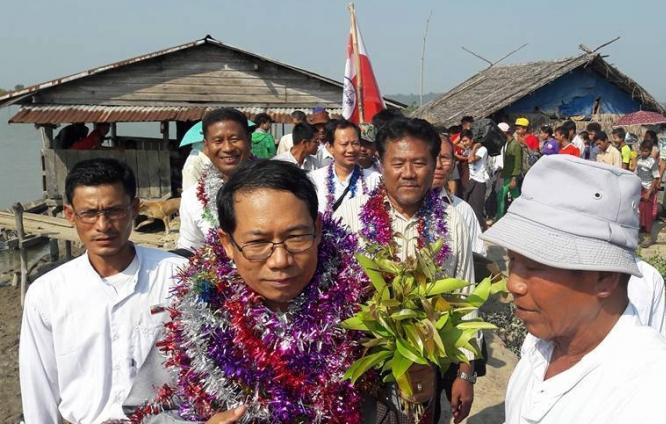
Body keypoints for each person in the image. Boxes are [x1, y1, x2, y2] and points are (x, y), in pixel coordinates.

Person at [127, 160, 433, 423]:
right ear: (227, 243)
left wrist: (419, 389)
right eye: (258, 243)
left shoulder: (370, 305)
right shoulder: (192, 318)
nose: (280, 260)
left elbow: (403, 404)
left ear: (317, 229)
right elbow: (143, 411)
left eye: (296, 237)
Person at [482, 155, 666, 423]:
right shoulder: (540, 347)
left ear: (605, 278)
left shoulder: (658, 399)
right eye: (512, 260)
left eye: (534, 266)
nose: (513, 283)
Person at [19, 158, 187, 423]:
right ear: (70, 215)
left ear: (134, 209)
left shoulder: (177, 276)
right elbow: (38, 385)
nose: (103, 225)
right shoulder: (46, 294)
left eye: (114, 211)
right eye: (89, 213)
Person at [336, 117, 477, 424]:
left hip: (426, 365)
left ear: (434, 164)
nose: (409, 173)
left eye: (420, 163)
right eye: (398, 163)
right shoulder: (350, 215)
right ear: (381, 163)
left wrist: (466, 373)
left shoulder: (452, 220)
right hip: (364, 370)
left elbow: (466, 299)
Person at [177, 108, 252, 251]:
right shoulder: (193, 198)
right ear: (206, 146)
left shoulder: (277, 187)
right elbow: (190, 251)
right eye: (218, 141)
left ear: (249, 140)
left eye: (234, 139)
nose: (228, 148)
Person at [309, 119, 381, 213]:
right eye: (344, 144)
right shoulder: (314, 179)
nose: (351, 150)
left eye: (355, 143)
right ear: (331, 147)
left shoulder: (375, 180)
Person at [433, 133, 486, 256]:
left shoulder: (463, 210)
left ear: (453, 164)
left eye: (444, 158)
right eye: (431, 157)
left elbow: (477, 256)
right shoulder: (401, 206)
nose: (438, 165)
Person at [636, 140, 661, 248]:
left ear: (650, 151)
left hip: (648, 189)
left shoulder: (652, 162)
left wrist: (649, 192)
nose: (643, 153)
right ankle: (639, 235)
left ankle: (648, 236)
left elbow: (656, 178)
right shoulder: (639, 160)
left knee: (647, 214)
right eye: (642, 151)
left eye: (646, 151)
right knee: (639, 212)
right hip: (639, 188)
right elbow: (636, 173)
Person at [497, 121, 522, 220]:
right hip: (506, 174)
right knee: (514, 197)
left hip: (511, 176)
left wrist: (514, 179)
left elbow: (518, 163)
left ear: (504, 132)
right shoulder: (505, 144)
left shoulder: (515, 145)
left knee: (502, 197)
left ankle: (500, 218)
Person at [465, 132, 489, 226]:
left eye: (466, 140)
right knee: (469, 206)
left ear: (473, 140)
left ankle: (483, 227)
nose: (464, 143)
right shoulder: (469, 149)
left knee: (477, 209)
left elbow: (471, 160)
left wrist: (474, 148)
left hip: (479, 181)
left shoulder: (482, 149)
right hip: (472, 180)